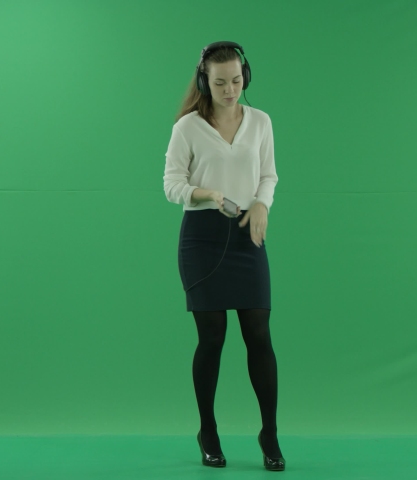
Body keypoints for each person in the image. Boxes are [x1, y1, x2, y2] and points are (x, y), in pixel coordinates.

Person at [163, 41, 285, 471]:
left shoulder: (261, 122)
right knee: (212, 338)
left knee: (259, 335)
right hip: (202, 239)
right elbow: (171, 184)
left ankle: (269, 432)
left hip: (247, 234)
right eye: (220, 83)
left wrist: (262, 205)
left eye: (236, 80)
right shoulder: (188, 128)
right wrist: (207, 193)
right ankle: (208, 431)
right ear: (204, 82)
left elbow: (268, 175)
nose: (230, 89)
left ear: (245, 76)